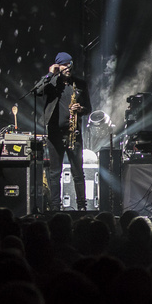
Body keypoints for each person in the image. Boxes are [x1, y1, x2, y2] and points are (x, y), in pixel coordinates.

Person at [39, 52, 92, 211]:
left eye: (70, 64)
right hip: (55, 134)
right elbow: (38, 91)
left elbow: (89, 108)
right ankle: (55, 207)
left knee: (78, 173)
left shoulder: (80, 84)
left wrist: (80, 108)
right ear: (58, 66)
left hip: (73, 133)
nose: (68, 67)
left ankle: (82, 207)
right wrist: (50, 74)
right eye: (64, 65)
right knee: (55, 173)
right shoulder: (51, 83)